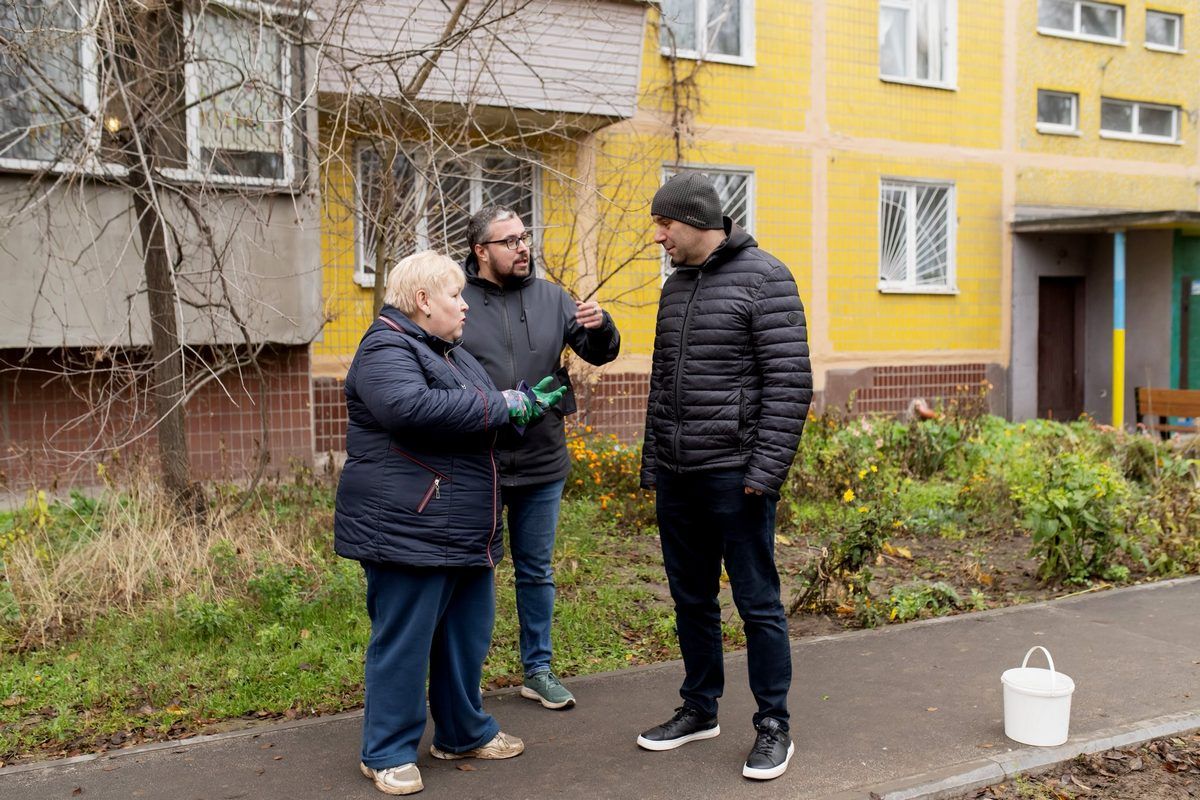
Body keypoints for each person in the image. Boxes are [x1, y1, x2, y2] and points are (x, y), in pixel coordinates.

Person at [334, 250, 566, 796]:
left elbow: (479, 412)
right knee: (405, 640)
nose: (466, 307)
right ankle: (386, 750)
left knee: (465, 636)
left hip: (461, 524)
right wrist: (505, 405)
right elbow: (411, 410)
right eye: (456, 296)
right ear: (422, 301)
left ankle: (462, 733)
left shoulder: (449, 352)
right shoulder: (385, 347)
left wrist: (523, 409)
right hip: (409, 526)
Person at [636, 173, 812, 781]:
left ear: (695, 221)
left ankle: (773, 726)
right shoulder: (676, 286)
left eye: (664, 225)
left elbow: (789, 384)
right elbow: (663, 384)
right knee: (690, 598)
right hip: (680, 474)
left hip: (737, 476)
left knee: (757, 603)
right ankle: (699, 708)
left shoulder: (767, 277)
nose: (657, 237)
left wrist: (764, 472)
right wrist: (654, 463)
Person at [459, 205, 621, 710]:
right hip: (476, 463)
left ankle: (538, 669)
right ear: (481, 251)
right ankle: (465, 681)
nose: (523, 247)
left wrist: (601, 328)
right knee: (471, 572)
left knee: (536, 571)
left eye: (524, 237)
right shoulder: (455, 300)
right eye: (509, 241)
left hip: (541, 459)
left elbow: (599, 352)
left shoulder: (553, 299)